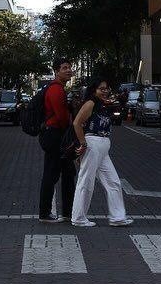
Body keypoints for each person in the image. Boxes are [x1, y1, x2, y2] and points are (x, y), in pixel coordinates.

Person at [70, 79, 132, 227]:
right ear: (94, 90)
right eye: (101, 88)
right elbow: (77, 123)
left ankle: (117, 217)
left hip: (103, 146)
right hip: (93, 144)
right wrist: (83, 144)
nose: (105, 91)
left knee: (113, 181)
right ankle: (78, 218)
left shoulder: (102, 104)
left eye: (106, 88)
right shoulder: (90, 103)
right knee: (86, 181)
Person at [38, 57, 76, 223]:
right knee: (52, 174)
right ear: (56, 71)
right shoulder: (56, 89)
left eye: (69, 67)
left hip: (56, 135)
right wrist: (69, 132)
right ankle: (45, 213)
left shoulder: (59, 88)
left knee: (67, 173)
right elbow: (61, 117)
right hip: (55, 135)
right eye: (64, 68)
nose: (68, 70)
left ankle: (68, 212)